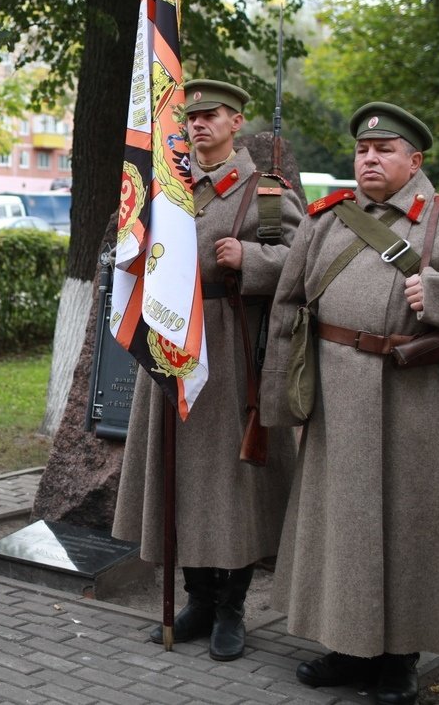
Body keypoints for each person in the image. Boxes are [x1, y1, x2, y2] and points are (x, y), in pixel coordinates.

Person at [259, 103, 439, 704]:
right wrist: (280, 398)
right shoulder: (328, 219)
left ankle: (399, 658)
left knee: (408, 529)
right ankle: (343, 646)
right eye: (362, 151)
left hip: (412, 400)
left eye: (384, 151)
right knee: (340, 525)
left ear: (414, 160)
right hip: (335, 398)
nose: (370, 159)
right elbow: (287, 307)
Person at [110, 79, 303, 661]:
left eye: (211, 116)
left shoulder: (263, 192)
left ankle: (231, 608)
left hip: (229, 345)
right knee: (181, 478)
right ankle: (196, 599)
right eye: (191, 117)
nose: (198, 125)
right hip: (172, 345)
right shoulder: (170, 190)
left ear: (236, 122)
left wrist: (255, 259)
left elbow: (302, 259)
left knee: (232, 485)